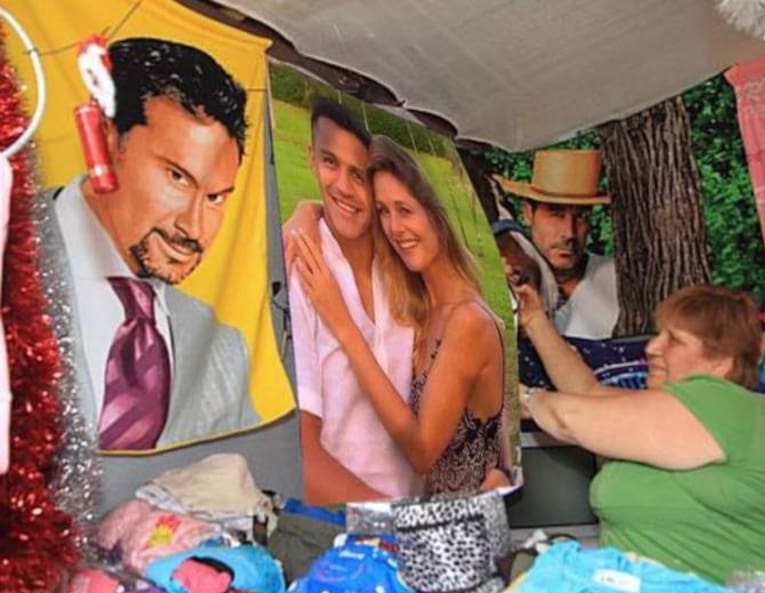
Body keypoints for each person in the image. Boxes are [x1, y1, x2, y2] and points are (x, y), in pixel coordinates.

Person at [46, 38, 259, 450]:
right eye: (177, 177)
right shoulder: (12, 248)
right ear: (105, 142)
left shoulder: (222, 353)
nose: (194, 228)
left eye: (216, 197)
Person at [514, 281, 765, 584]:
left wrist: (527, 399)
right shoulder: (676, 410)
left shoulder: (726, 405)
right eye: (658, 335)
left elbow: (571, 419)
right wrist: (535, 321)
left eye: (673, 341)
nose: (652, 348)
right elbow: (587, 392)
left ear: (721, 362)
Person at [295, 134, 507, 494]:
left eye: (405, 211)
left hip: (462, 522)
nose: (395, 228)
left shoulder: (468, 321)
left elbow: (422, 452)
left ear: (437, 214)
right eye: (384, 211)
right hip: (427, 513)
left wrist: (342, 324)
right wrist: (307, 211)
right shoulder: (422, 306)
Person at [288, 99, 420, 504]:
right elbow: (299, 455)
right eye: (330, 162)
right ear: (311, 158)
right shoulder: (302, 266)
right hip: (339, 520)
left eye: (359, 175)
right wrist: (396, 522)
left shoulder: (408, 266)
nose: (343, 187)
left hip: (415, 509)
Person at [494, 149, 618, 339]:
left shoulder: (615, 280)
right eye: (557, 215)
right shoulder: (504, 284)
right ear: (528, 213)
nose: (569, 232)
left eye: (581, 217)